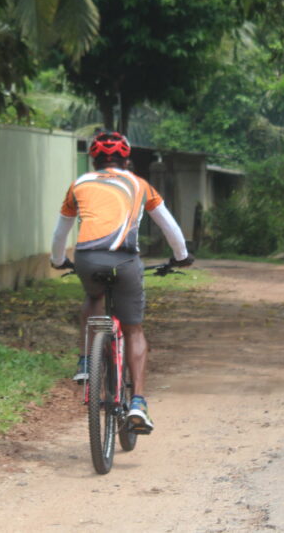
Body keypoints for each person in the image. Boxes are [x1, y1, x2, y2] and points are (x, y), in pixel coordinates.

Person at [50, 130, 193, 434]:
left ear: (94, 159)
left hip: (87, 258)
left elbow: (60, 233)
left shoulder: (78, 184)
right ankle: (138, 402)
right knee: (134, 329)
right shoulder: (140, 184)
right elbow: (171, 228)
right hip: (126, 260)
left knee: (93, 298)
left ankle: (86, 364)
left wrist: (58, 260)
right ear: (127, 159)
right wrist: (181, 256)